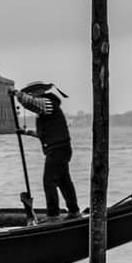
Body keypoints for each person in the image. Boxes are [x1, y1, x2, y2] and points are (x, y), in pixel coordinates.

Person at [16, 82, 80, 220]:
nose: (30, 95)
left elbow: (29, 103)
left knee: (49, 181)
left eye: (32, 92)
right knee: (63, 181)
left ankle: (53, 215)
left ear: (40, 91)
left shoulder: (48, 103)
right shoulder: (43, 111)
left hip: (58, 149)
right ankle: (74, 211)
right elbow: (43, 134)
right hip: (60, 149)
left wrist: (16, 94)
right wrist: (26, 132)